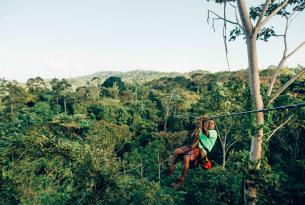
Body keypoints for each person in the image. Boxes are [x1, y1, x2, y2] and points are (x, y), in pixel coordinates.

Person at [170, 118, 217, 189]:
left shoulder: (213, 132)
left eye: (212, 123)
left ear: (214, 125)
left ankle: (180, 181)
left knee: (187, 158)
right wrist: (199, 126)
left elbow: (205, 132)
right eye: (209, 123)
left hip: (202, 150)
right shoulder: (202, 130)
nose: (210, 124)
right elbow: (194, 137)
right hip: (195, 147)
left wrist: (203, 121)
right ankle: (172, 168)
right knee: (177, 151)